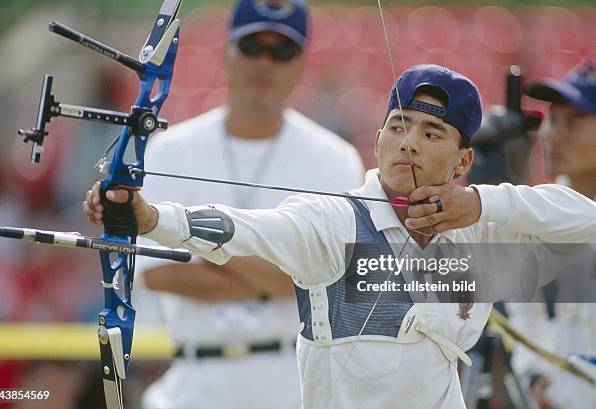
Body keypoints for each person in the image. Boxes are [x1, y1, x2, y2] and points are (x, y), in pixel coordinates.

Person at [84, 64, 596, 409]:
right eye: (398, 125)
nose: (409, 143)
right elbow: (241, 228)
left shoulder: (480, 231)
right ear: (376, 141)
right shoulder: (334, 224)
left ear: (464, 160)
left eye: (432, 134)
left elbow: (586, 221)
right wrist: (149, 217)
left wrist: (483, 201)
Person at [125, 1, 364, 408]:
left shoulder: (336, 159)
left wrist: (199, 248)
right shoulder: (169, 150)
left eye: (281, 51)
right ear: (227, 51)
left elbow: (335, 281)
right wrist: (285, 270)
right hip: (193, 381)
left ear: (301, 63)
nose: (264, 62)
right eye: (252, 46)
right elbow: (158, 274)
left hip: (296, 382)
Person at [505, 59, 596, 409]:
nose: (552, 135)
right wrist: (535, 376)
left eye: (573, 123)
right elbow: (522, 309)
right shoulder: (536, 216)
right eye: (552, 120)